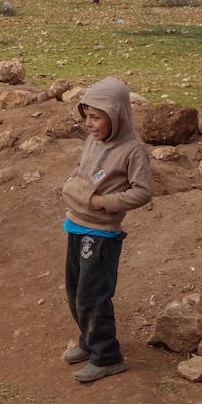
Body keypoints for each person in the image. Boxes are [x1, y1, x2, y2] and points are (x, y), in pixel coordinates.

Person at [59, 77, 154, 383]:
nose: (89, 123)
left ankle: (107, 356)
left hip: (101, 234)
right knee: (75, 291)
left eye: (96, 117)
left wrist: (102, 201)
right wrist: (73, 188)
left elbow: (143, 191)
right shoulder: (93, 140)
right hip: (75, 224)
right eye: (86, 115)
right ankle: (88, 341)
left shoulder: (133, 150)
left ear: (117, 115)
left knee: (93, 295)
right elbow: (80, 172)